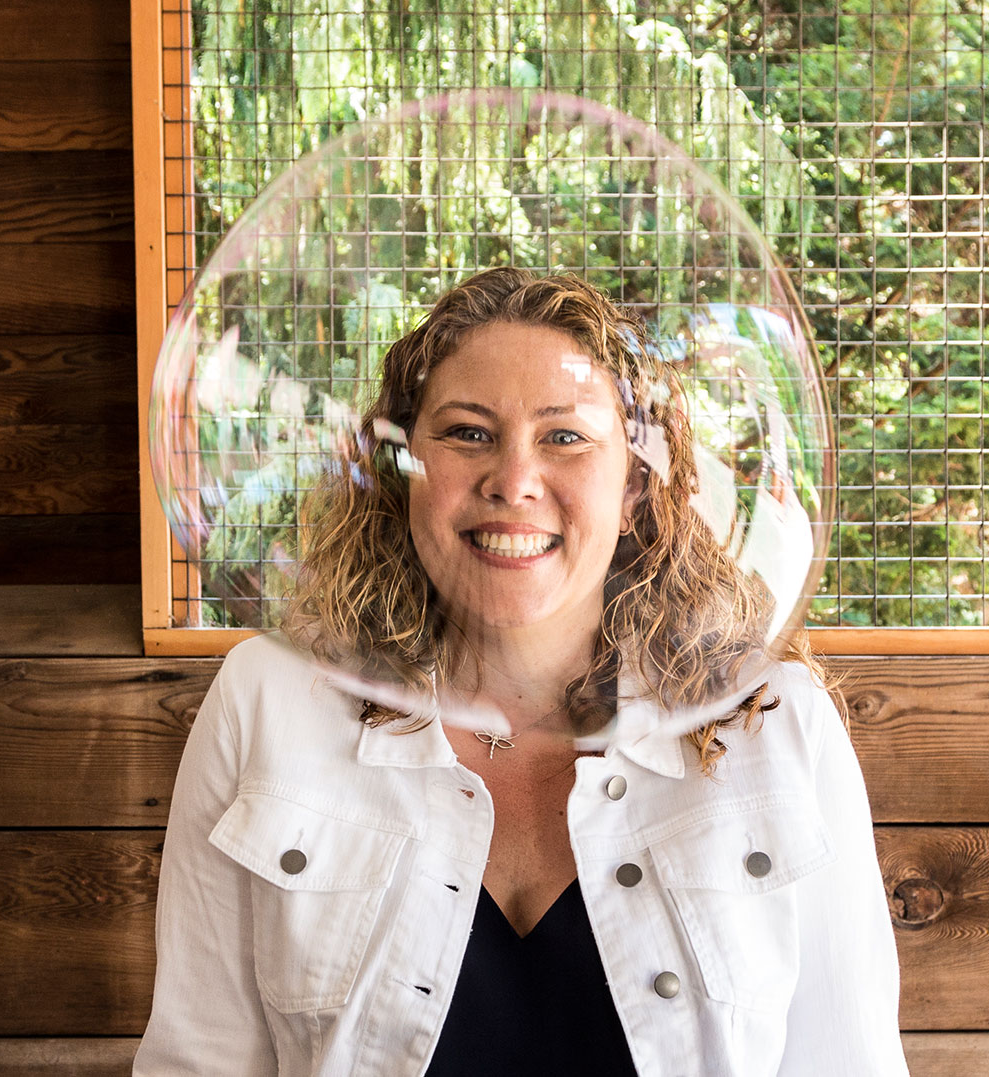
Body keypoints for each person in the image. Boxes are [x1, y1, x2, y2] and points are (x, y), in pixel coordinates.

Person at [133, 267, 909, 1076]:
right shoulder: (266, 701)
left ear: (637, 481)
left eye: (564, 436)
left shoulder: (775, 720)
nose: (512, 481)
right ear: (401, 467)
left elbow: (847, 1062)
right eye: (467, 432)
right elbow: (198, 1060)